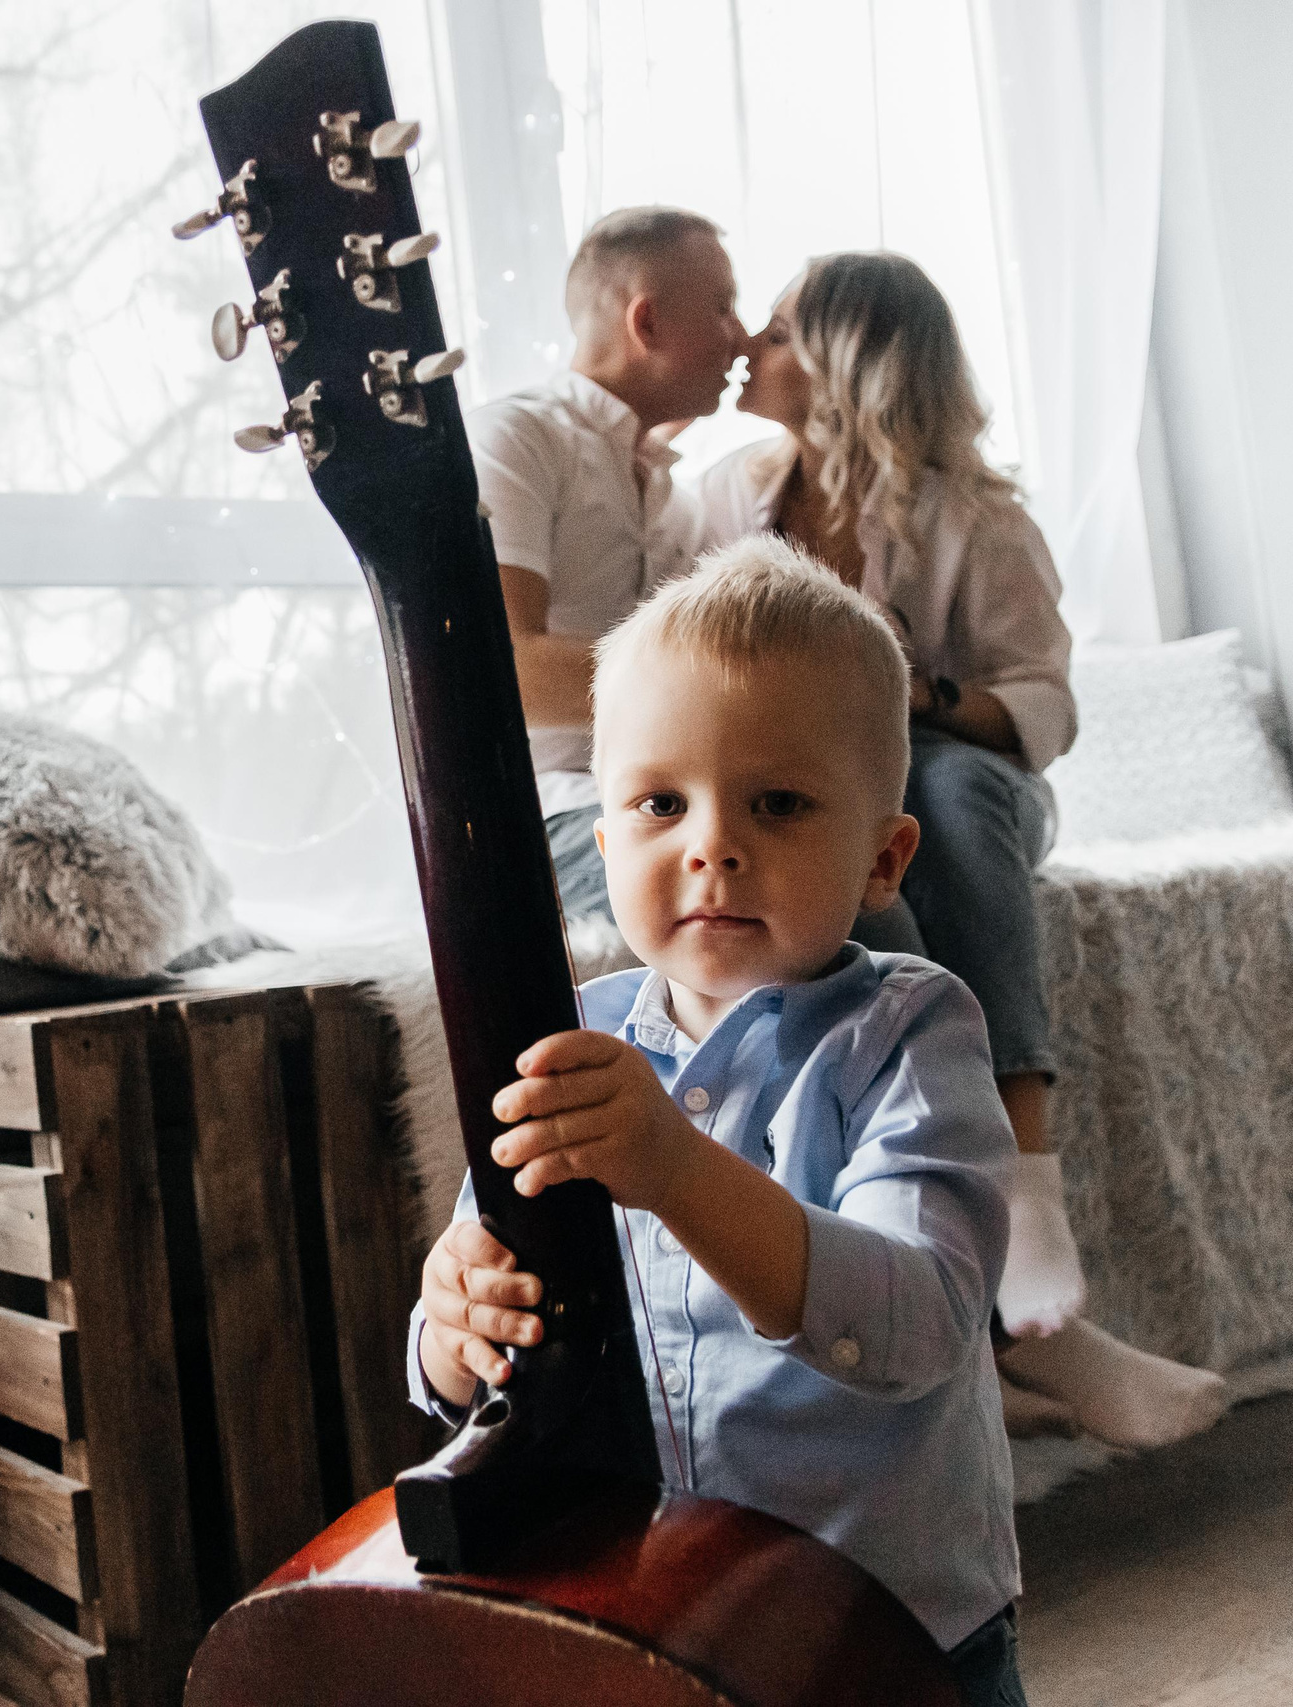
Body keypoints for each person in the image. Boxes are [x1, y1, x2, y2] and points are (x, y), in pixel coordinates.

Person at [412, 541, 1025, 1705]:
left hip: (881, 1627)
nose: (711, 844)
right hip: (646, 1622)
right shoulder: (564, 1043)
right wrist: (453, 1323)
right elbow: (468, 1353)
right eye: (658, 803)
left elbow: (919, 1325)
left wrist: (675, 1170)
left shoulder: (906, 1033)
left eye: (779, 802)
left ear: (882, 859)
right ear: (604, 848)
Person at [701, 250, 1225, 1449]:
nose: (749, 350)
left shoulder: (976, 518)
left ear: (843, 363)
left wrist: (910, 685)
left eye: (777, 332)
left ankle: (1024, 1187)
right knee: (863, 897)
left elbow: (1041, 705)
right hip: (822, 798)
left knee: (934, 786)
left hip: (965, 784)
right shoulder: (731, 499)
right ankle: (998, 1339)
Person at [468, 207, 741, 920]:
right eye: (722, 307)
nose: (740, 337)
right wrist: (731, 693)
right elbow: (510, 670)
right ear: (646, 323)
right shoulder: (518, 440)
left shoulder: (681, 501)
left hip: (682, 805)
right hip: (555, 816)